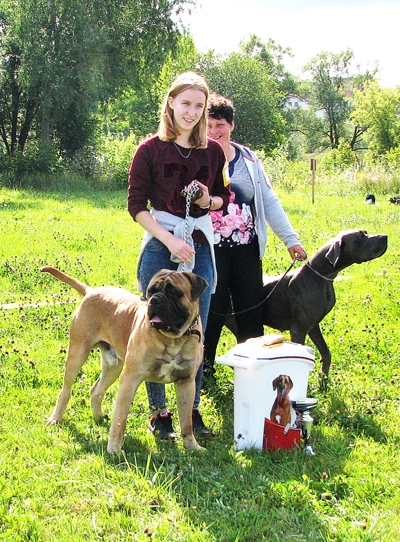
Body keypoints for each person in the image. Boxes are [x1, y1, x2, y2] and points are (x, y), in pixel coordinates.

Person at [127, 71, 231, 440]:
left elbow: (224, 197)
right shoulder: (150, 149)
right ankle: (159, 413)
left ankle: (193, 409)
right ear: (170, 102)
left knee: (194, 331)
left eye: (198, 106)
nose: (191, 112)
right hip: (161, 244)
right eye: (185, 103)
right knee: (153, 326)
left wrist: (208, 200)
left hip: (200, 244)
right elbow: (136, 206)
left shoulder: (213, 151)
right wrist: (169, 241)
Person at [203, 93, 306, 370]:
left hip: (247, 248)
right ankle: (204, 366)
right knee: (212, 307)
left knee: (251, 307)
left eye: (220, 125)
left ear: (231, 125)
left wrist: (291, 240)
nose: (214, 132)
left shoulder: (248, 158)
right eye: (209, 125)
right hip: (209, 249)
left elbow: (268, 201)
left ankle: (253, 365)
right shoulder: (196, 156)